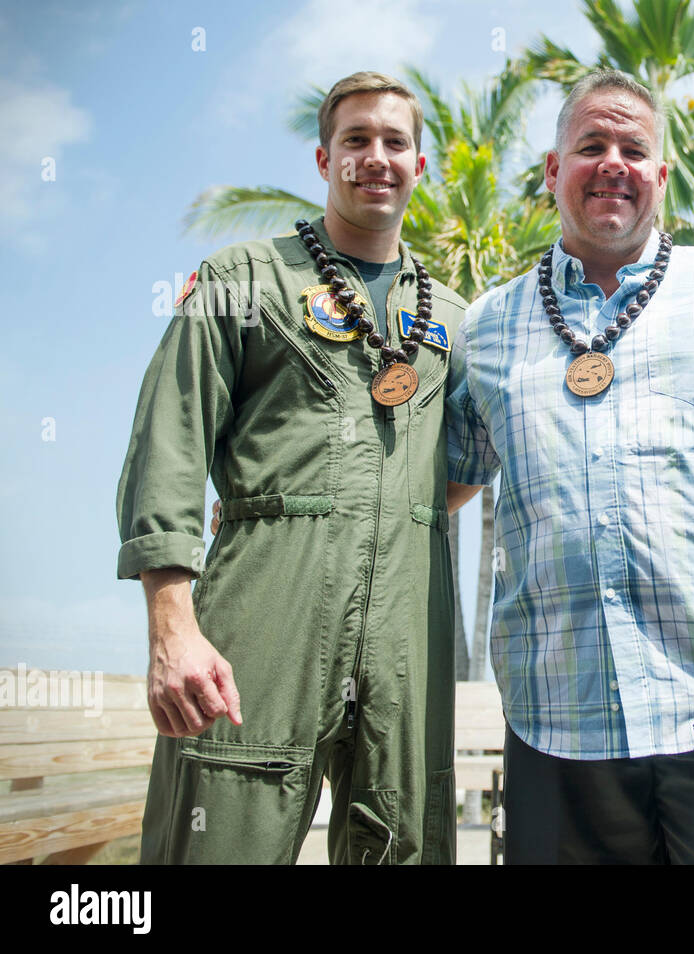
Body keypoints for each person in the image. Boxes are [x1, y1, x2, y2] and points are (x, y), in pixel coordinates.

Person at [445, 69, 694, 864]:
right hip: (554, 724)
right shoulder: (489, 325)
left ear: (661, 175)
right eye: (590, 145)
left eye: (634, 148)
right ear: (552, 171)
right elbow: (448, 482)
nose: (613, 163)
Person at [116, 71, 470, 864]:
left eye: (395, 141)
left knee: (409, 835)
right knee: (223, 833)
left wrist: (393, 518)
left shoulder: (451, 316)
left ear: (420, 164)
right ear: (323, 160)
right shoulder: (238, 281)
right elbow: (167, 446)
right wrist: (171, 629)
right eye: (356, 140)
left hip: (410, 625)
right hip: (264, 612)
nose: (376, 157)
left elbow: (470, 456)